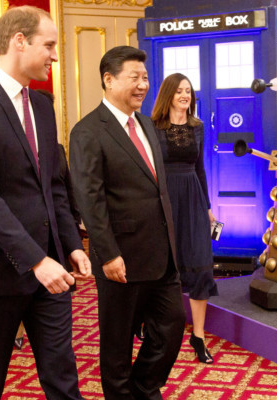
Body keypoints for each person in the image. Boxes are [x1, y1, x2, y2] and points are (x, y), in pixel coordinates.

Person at [0, 6, 90, 400]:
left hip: (53, 267)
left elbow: (54, 188)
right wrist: (35, 260)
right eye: (49, 45)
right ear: (19, 41)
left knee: (63, 377)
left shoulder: (43, 106)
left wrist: (72, 246)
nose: (56, 55)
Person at [69, 45, 186, 400]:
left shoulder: (147, 124)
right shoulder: (88, 131)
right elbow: (90, 198)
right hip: (121, 257)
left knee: (171, 326)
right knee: (117, 344)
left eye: (146, 78)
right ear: (108, 79)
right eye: (134, 77)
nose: (143, 85)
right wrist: (107, 253)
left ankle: (144, 387)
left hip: (163, 252)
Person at [151, 73, 217, 364]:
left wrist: (207, 207)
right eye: (178, 91)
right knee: (162, 266)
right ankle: (155, 327)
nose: (184, 95)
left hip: (192, 197)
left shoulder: (198, 127)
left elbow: (200, 168)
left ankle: (199, 336)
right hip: (162, 200)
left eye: (188, 91)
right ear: (168, 94)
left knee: (200, 266)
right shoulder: (151, 127)